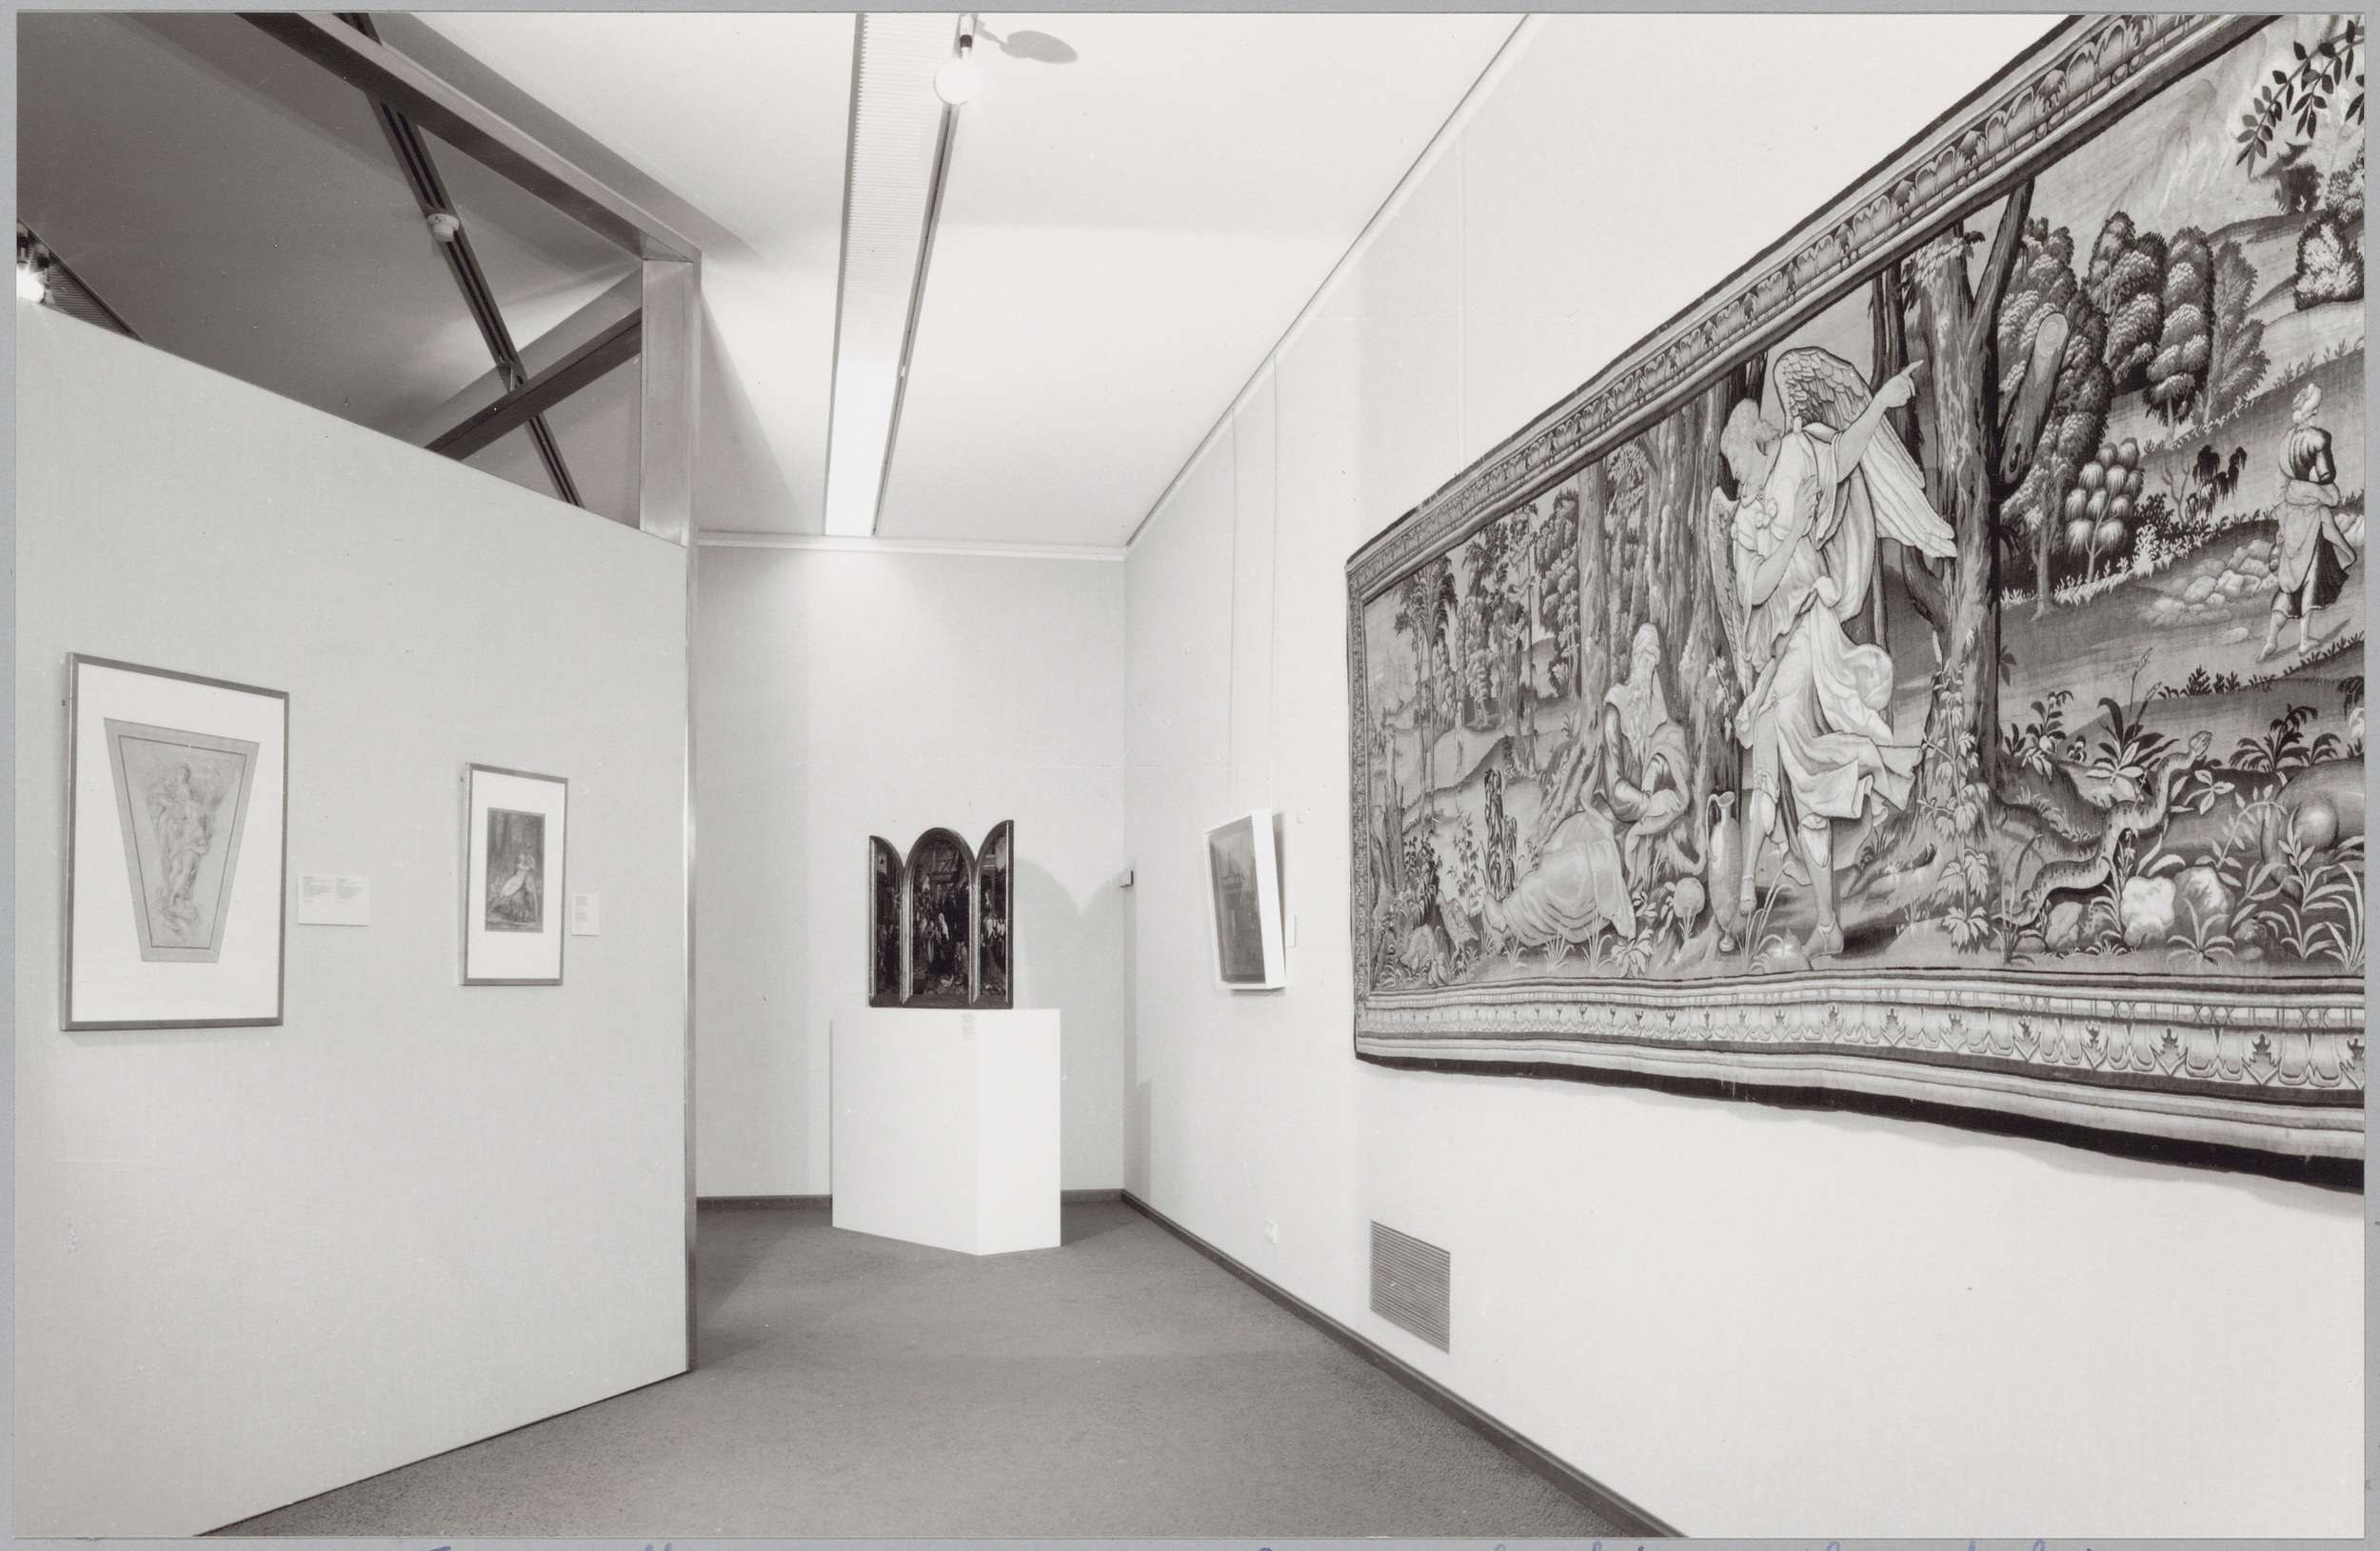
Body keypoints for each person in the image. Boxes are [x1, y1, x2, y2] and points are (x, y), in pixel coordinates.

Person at [1718, 348, 1955, 962]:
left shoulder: (1798, 454)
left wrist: (1878, 401)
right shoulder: (1744, 518)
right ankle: (1828, 920)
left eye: (1735, 456)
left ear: (1752, 439)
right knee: (1802, 774)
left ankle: (1890, 773)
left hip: (1814, 627)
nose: (1733, 469)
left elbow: (1846, 455)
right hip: (1783, 642)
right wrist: (1793, 532)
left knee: (1801, 758)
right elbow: (1751, 589)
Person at [1598, 621, 1696, 888]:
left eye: (1654, 660)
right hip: (1616, 813)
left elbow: (1670, 744)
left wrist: (1656, 767)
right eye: (1645, 656)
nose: (1649, 668)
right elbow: (1613, 785)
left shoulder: (1655, 708)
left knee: (1678, 832)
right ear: (1635, 657)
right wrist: (1646, 803)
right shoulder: (1614, 708)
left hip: (1649, 805)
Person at [2262, 384, 2355, 658]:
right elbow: (2327, 478)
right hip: (2312, 518)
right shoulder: (2317, 439)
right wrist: (2320, 490)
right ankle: (2303, 640)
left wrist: (2283, 520)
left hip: (2291, 518)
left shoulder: (2285, 443)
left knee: (2288, 582)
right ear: (2313, 410)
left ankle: (2271, 640)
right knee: (2310, 578)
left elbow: (2279, 490)